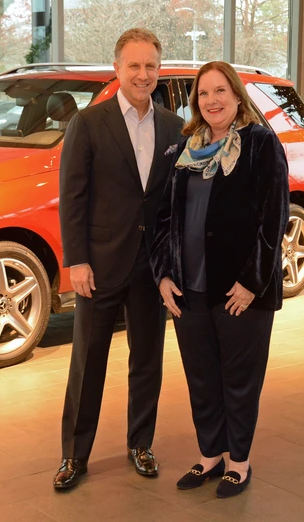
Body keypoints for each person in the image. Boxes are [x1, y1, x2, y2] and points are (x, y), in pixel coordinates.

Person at [151, 61, 289, 498]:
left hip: (239, 292)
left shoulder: (260, 144)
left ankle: (239, 462)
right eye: (204, 93)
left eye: (220, 91)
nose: (212, 101)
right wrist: (163, 275)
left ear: (236, 95)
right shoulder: (185, 149)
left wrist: (252, 281)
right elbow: (163, 219)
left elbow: (274, 218)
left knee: (239, 378)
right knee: (202, 377)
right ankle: (211, 454)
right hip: (188, 288)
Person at [54, 28, 185, 490]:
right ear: (117, 68)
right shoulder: (89, 123)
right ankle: (74, 455)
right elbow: (72, 198)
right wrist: (77, 260)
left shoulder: (173, 127)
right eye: (134, 65)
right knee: (88, 363)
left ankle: (140, 444)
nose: (143, 74)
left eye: (151, 66)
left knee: (148, 359)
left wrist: (171, 261)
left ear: (158, 70)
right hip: (101, 265)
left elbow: (172, 200)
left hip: (152, 268)